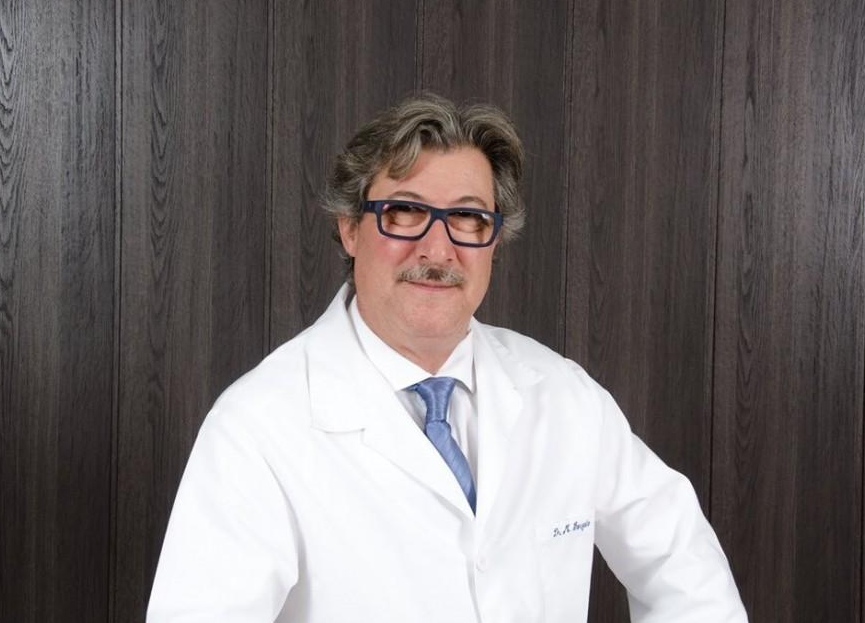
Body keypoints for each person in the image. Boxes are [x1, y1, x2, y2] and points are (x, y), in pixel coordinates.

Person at [147, 93, 748, 622]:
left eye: (467, 216)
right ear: (350, 229)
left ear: (493, 239)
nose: (437, 250)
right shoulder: (256, 426)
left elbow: (683, 564)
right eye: (404, 212)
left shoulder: (562, 395)